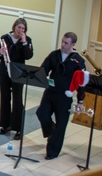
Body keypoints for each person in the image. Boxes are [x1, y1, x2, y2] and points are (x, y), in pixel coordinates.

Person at [35, 32, 87, 160]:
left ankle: (52, 152)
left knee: (61, 124)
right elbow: (43, 69)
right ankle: (52, 130)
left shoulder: (78, 60)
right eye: (62, 42)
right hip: (50, 92)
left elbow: (81, 82)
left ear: (73, 45)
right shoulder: (54, 55)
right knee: (42, 113)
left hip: (64, 96)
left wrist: (80, 100)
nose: (63, 45)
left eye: (66, 43)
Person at [0, 18, 34, 139]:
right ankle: (5, 125)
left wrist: (24, 42)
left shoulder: (27, 40)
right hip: (4, 72)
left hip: (18, 73)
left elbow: (29, 56)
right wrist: (0, 52)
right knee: (5, 97)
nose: (21, 30)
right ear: (14, 27)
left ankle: (18, 129)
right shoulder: (4, 38)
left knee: (17, 100)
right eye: (19, 28)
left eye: (23, 29)